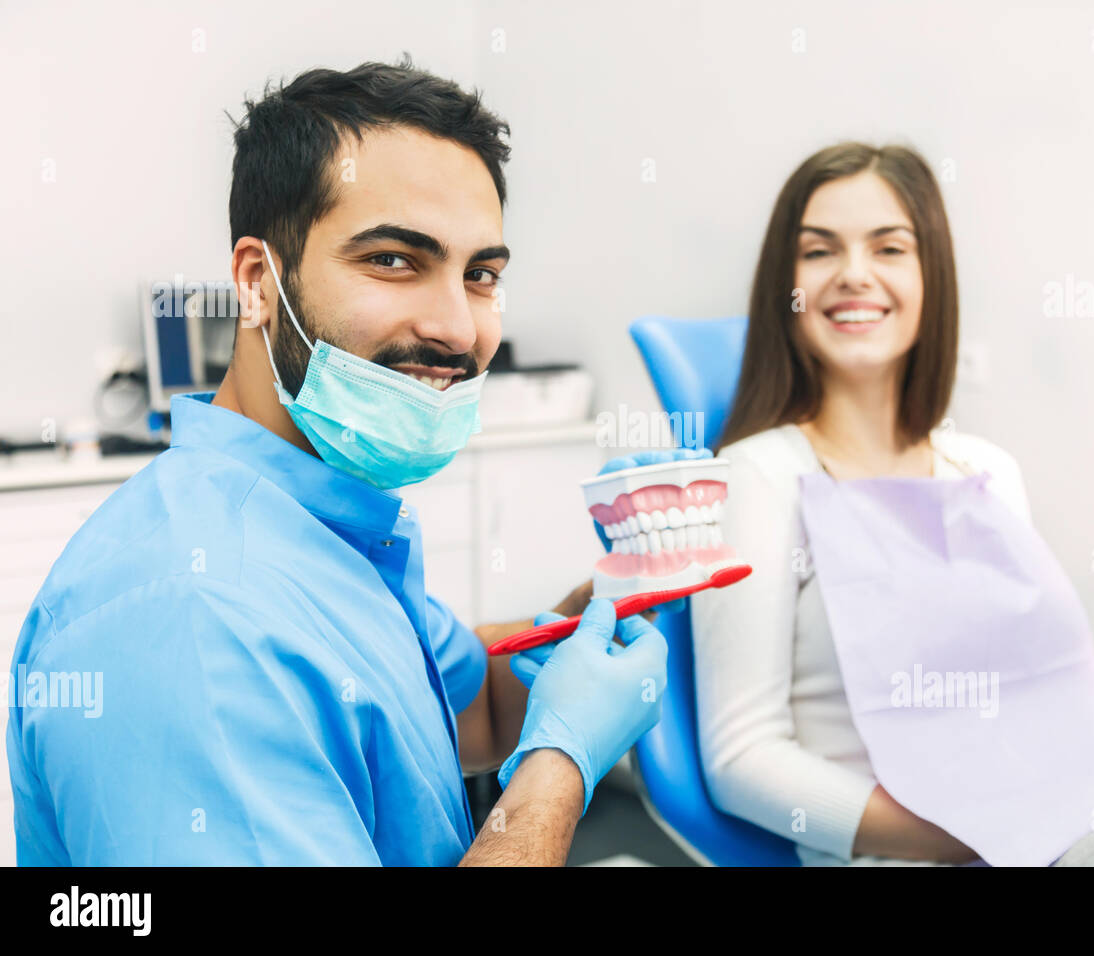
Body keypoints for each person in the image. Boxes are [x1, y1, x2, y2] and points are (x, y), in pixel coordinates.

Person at [6, 57, 679, 866]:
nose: (459, 329)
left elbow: (461, 710)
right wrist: (559, 769)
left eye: (482, 275)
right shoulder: (193, 619)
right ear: (257, 282)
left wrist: (574, 632)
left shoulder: (326, 523)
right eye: (394, 260)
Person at [690, 142, 1094, 867]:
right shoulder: (757, 477)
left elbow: (1051, 694)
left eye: (889, 247)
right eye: (819, 252)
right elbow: (741, 760)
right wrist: (974, 835)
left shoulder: (989, 472)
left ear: (929, 274)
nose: (853, 274)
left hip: (1063, 835)